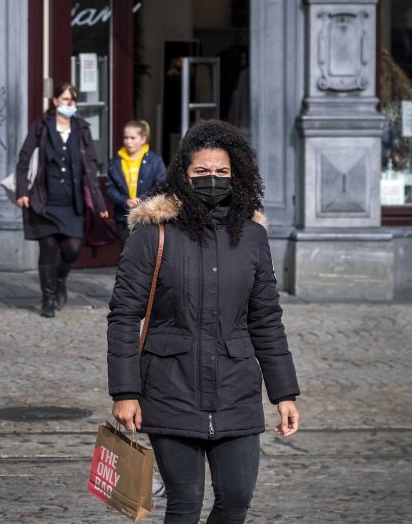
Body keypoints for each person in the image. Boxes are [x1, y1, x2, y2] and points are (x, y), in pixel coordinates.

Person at [107, 119, 301, 524]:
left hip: (236, 389)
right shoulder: (152, 234)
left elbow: (266, 318)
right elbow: (124, 315)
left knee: (236, 498)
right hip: (169, 387)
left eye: (221, 171)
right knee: (186, 501)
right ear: (184, 173)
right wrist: (125, 392)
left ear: (236, 174)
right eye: (202, 171)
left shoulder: (252, 237)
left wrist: (284, 393)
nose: (212, 178)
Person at [13, 83, 109, 318]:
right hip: (44, 201)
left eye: (73, 101)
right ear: (55, 101)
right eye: (65, 100)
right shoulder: (41, 127)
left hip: (72, 203)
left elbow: (91, 167)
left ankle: (60, 279)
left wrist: (99, 204)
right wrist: (22, 191)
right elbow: (24, 159)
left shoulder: (81, 129)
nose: (69, 104)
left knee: (72, 249)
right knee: (48, 248)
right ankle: (48, 298)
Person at [107, 120, 167, 245]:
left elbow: (161, 185)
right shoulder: (116, 161)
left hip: (148, 216)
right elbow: (110, 188)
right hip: (123, 217)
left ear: (143, 139)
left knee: (147, 251)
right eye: (126, 138)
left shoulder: (154, 160)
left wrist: (142, 199)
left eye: (133, 138)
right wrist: (124, 201)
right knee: (127, 250)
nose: (128, 141)